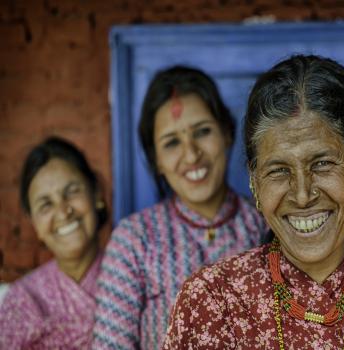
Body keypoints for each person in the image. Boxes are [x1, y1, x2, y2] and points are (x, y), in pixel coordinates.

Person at [163, 55, 344, 349]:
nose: (302, 195)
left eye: (323, 163)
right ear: (254, 181)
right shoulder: (212, 303)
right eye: (278, 170)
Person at [92, 66, 267, 349]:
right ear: (157, 160)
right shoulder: (134, 241)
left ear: (227, 133)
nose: (191, 153)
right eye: (172, 142)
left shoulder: (267, 226)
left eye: (203, 131)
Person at [0, 137, 107, 349]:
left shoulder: (129, 276)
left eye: (72, 192)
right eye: (46, 205)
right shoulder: (25, 300)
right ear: (35, 224)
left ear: (96, 193)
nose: (63, 212)